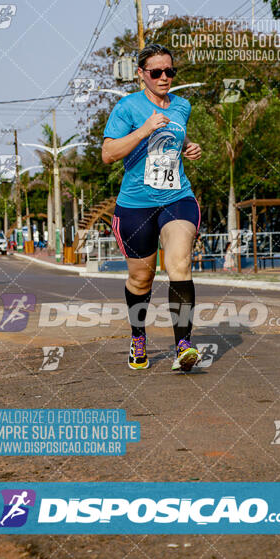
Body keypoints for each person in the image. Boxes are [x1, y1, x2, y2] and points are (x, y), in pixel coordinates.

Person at [102, 43, 202, 372]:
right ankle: (138, 336)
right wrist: (144, 130)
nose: (164, 77)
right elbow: (108, 154)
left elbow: (175, 135)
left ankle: (184, 345)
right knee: (141, 279)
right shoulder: (127, 108)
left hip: (177, 198)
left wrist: (188, 146)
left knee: (179, 264)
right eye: (156, 72)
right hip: (136, 204)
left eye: (169, 71)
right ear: (141, 74)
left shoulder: (182, 105)